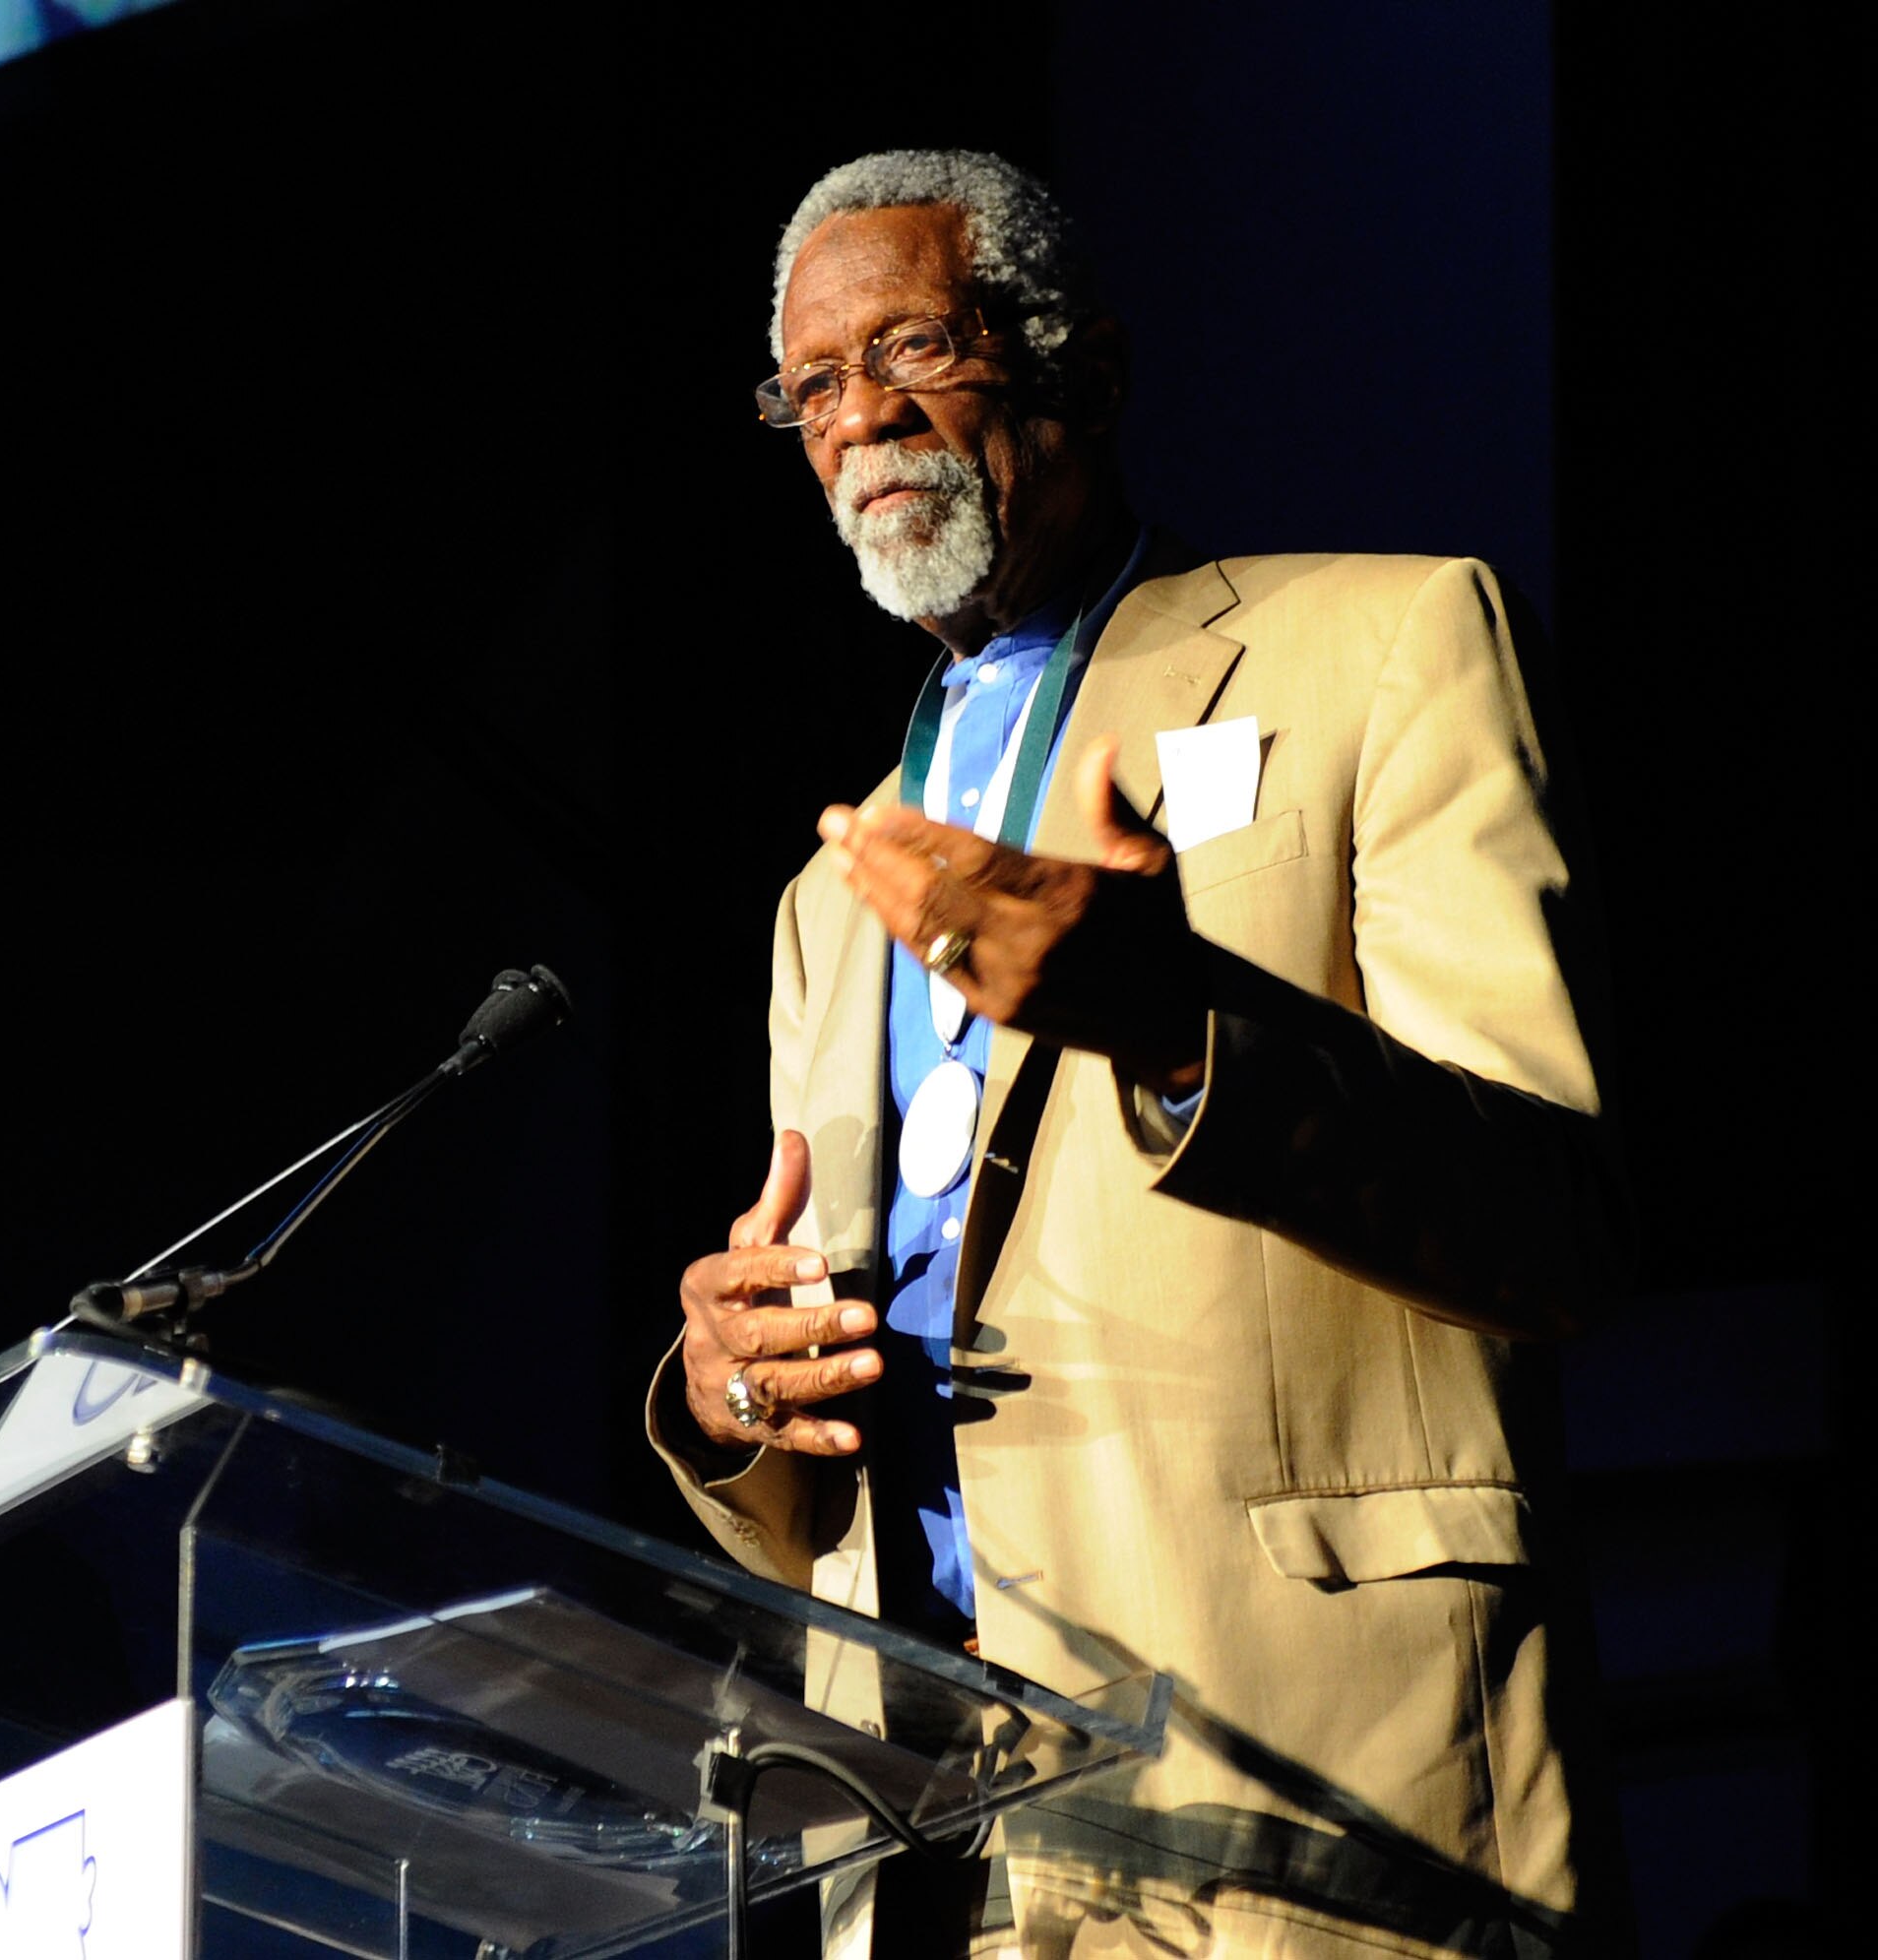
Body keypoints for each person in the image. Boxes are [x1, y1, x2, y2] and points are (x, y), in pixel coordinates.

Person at [648, 151, 1631, 1958]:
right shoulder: (833, 882)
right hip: (945, 1851)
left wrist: (1179, 1030)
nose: (861, 419)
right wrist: (738, 1399)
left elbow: (1547, 1212)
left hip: (1309, 1783)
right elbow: (828, 1466)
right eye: (812, 386)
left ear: (1078, 371)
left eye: (912, 346)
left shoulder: (1386, 647)